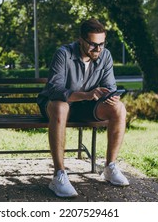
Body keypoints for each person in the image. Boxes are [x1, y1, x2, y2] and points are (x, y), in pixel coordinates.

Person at [37, 18, 129, 198]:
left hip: (85, 106)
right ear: (81, 40)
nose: (98, 49)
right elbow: (55, 90)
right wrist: (86, 95)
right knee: (61, 107)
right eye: (93, 45)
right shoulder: (63, 54)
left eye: (102, 44)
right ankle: (59, 175)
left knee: (119, 108)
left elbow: (109, 86)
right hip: (56, 106)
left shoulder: (105, 55)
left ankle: (109, 167)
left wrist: (110, 95)